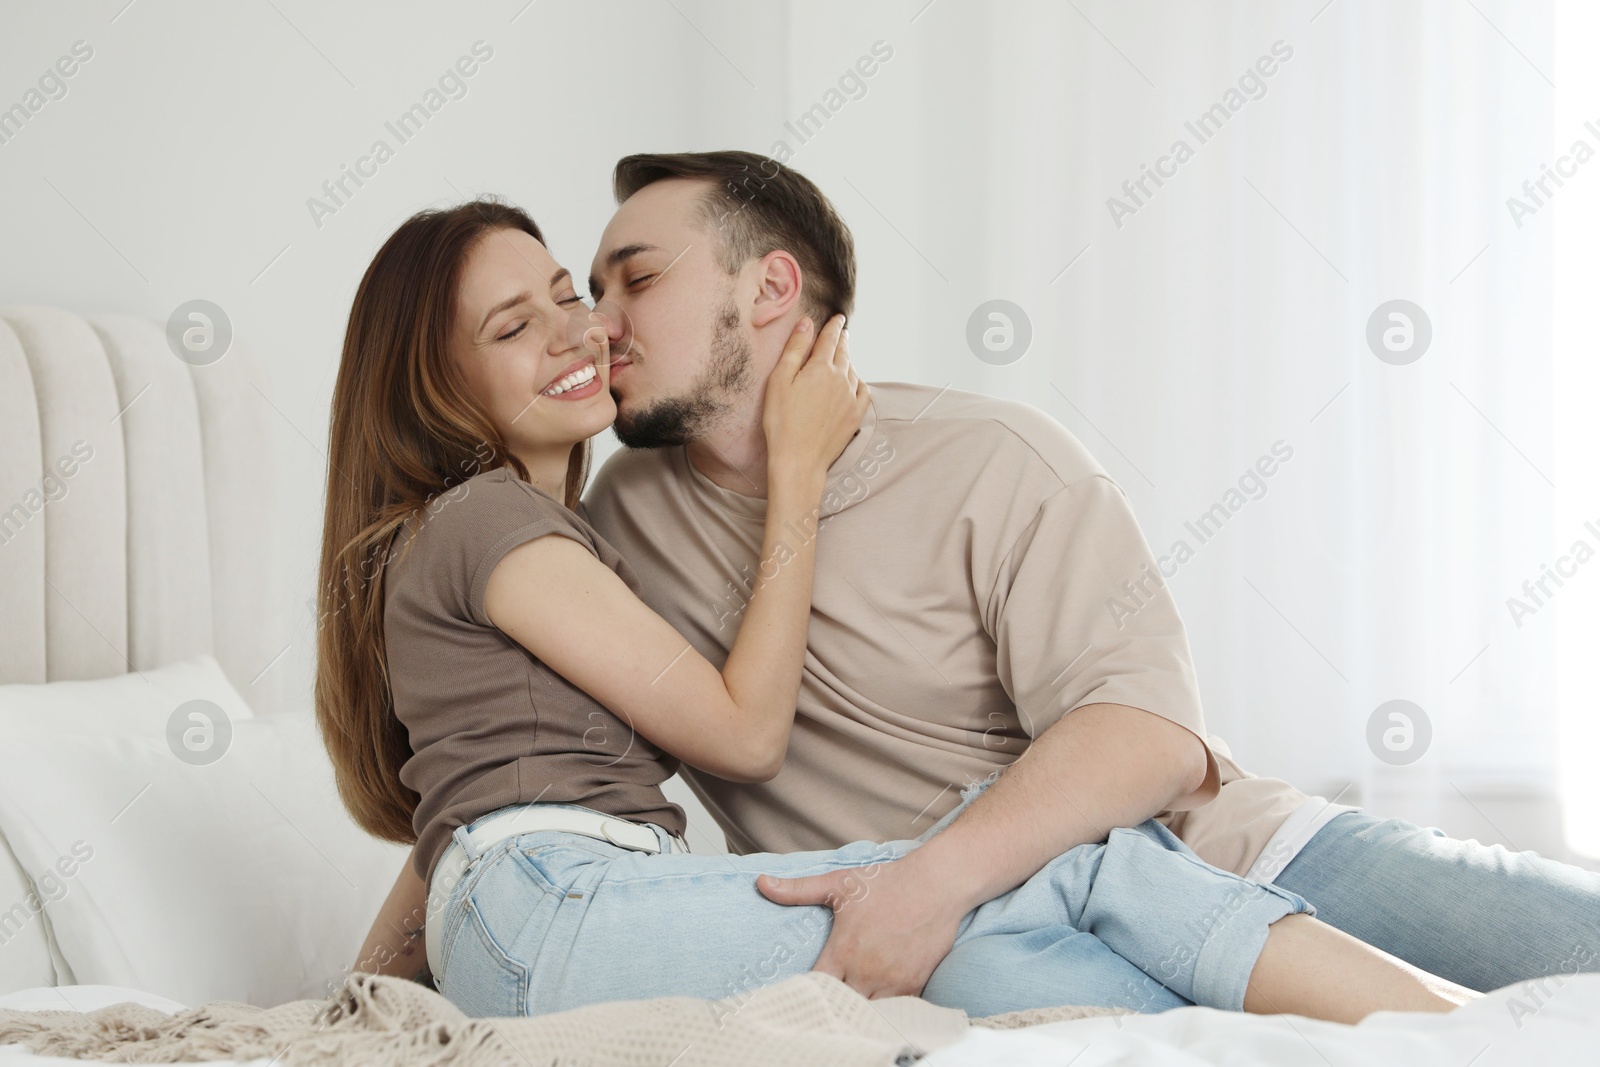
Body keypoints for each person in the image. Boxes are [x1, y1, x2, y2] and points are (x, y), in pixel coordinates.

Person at [319, 199, 1472, 1022]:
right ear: (433, 379)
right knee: (1072, 871)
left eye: (573, 291)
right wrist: (800, 473)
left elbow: (458, 819)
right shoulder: (487, 522)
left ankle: (1283, 1038)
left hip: (540, 903)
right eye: (513, 326)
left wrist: (360, 996)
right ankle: (1446, 1042)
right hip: (554, 901)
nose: (585, 329)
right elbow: (739, 734)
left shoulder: (542, 535)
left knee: (993, 945)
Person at [576, 150, 1600, 1015]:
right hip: (1016, 936)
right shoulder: (617, 522)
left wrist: (925, 884)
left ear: (769, 288)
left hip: (1234, 857)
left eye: (637, 278)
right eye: (593, 290)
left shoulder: (989, 456)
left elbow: (1143, 734)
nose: (599, 322)